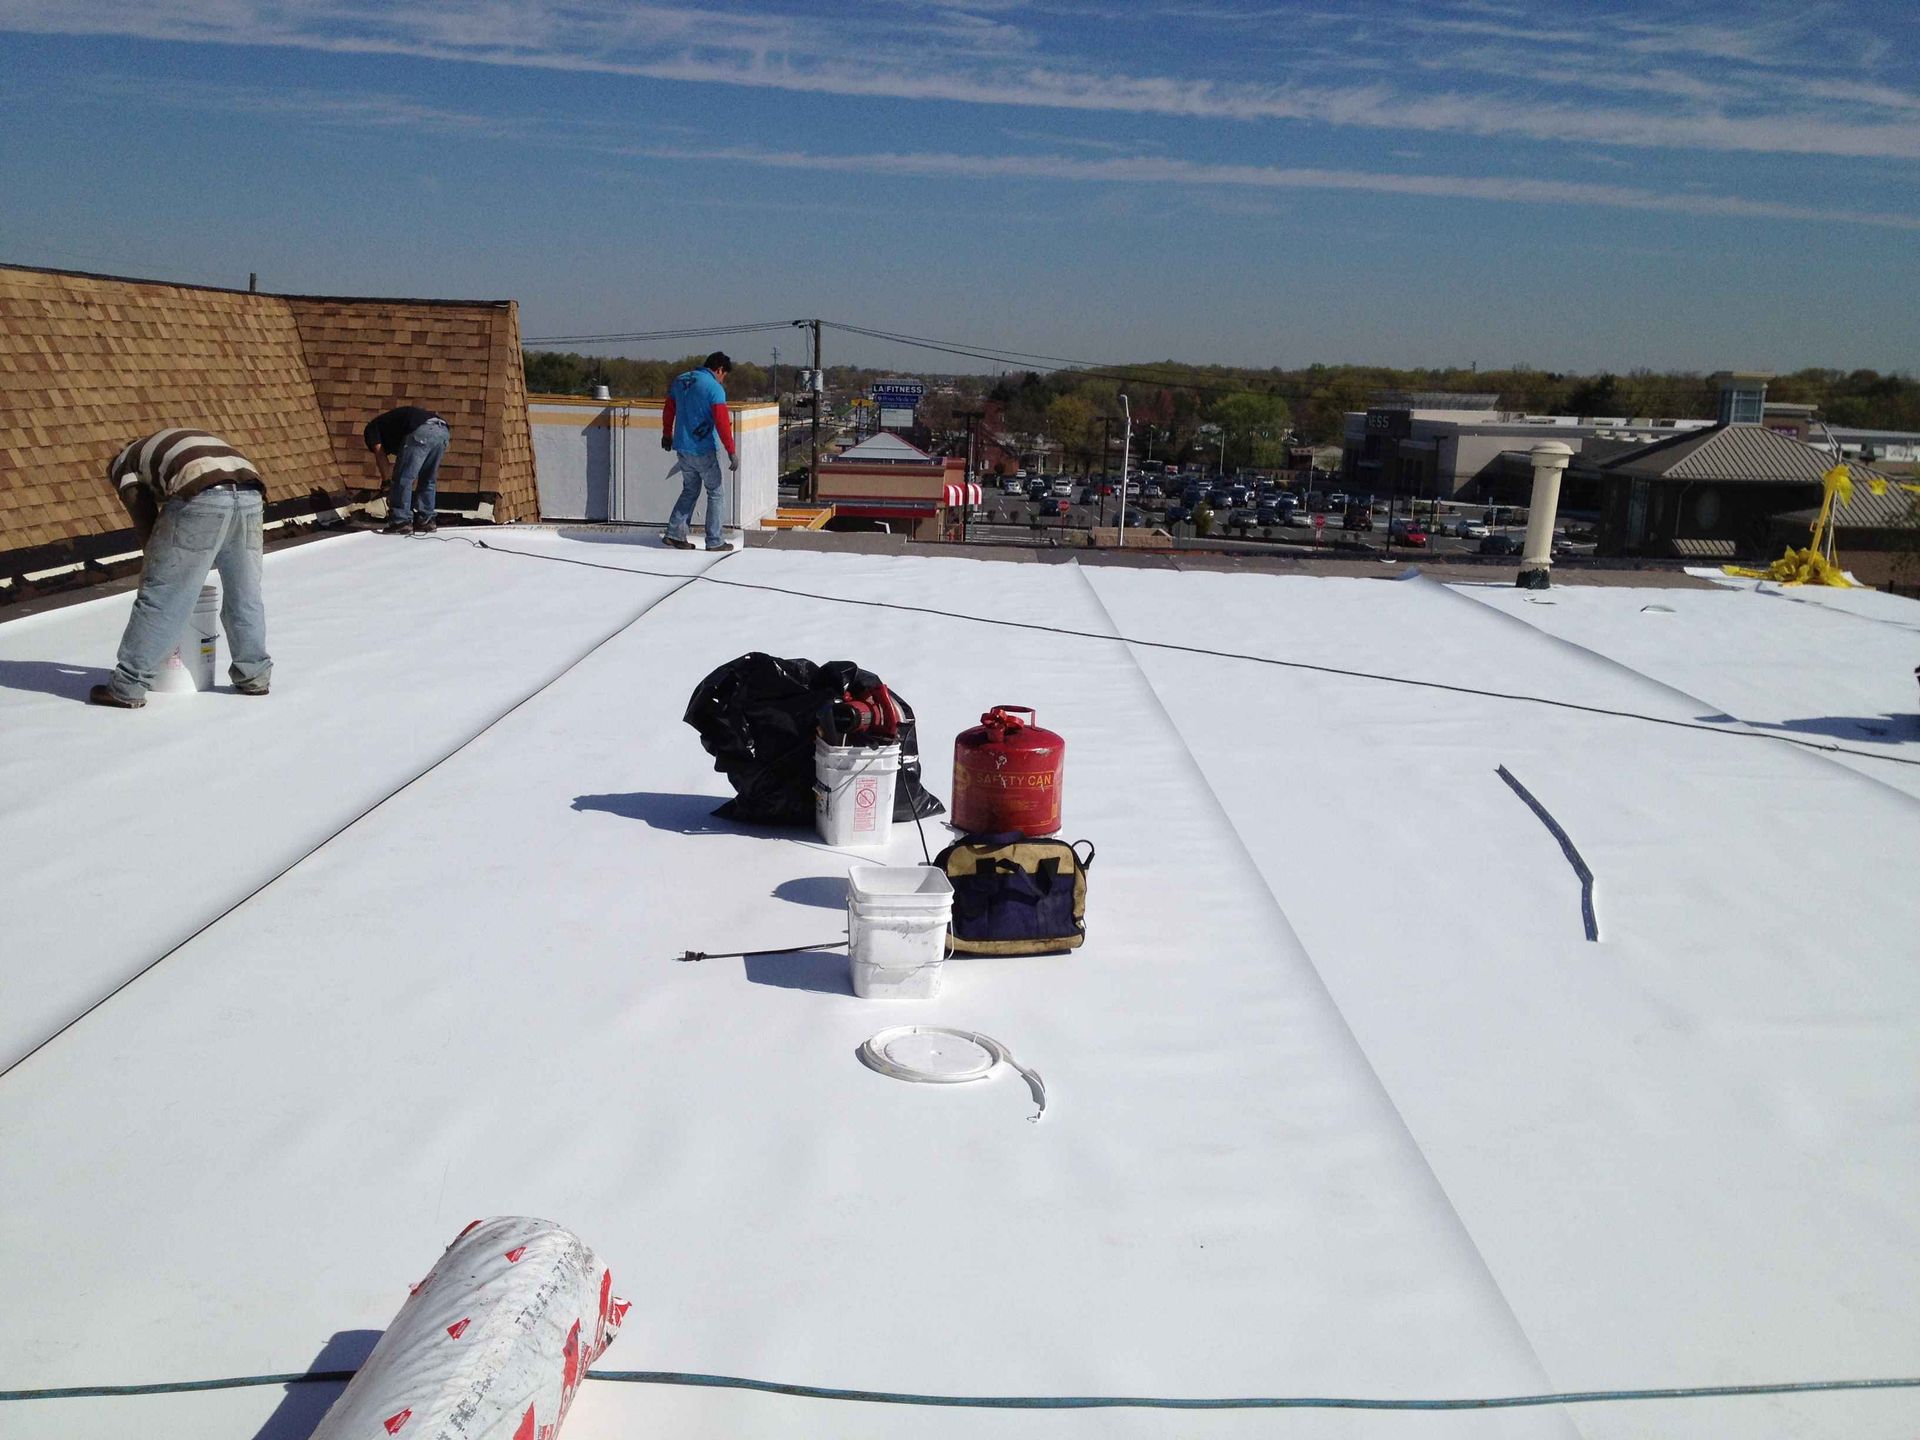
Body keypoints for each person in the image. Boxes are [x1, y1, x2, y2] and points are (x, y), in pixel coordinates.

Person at [88, 429, 272, 709]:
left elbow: (143, 516)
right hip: (249, 491)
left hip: (202, 490)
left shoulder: (123, 464)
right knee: (244, 591)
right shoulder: (168, 446)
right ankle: (254, 675)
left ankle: (127, 685)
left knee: (162, 594)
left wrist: (161, 565)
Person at [660, 352, 737, 551]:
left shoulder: (680, 380)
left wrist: (667, 434)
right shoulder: (714, 388)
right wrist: (731, 451)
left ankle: (675, 534)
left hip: (682, 447)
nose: (723, 379)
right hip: (703, 449)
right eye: (724, 374)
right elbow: (722, 423)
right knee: (716, 492)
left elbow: (669, 409)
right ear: (719, 369)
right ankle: (715, 540)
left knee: (690, 489)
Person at [363, 406, 449, 534]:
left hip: (422, 429)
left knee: (403, 477)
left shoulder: (371, 429)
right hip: (442, 430)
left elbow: (380, 453)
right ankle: (426, 520)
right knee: (428, 478)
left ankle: (401, 521)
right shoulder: (393, 428)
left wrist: (387, 483)